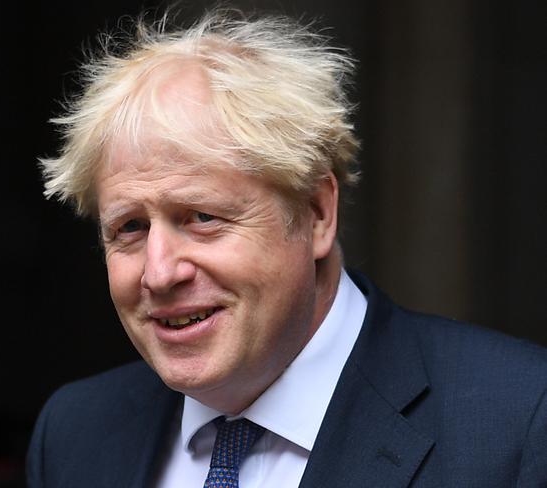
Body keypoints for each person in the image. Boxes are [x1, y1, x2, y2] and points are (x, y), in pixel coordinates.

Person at [27, 9, 547, 488]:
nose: (160, 273)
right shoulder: (74, 435)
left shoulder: (518, 420)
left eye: (203, 218)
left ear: (318, 214)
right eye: (131, 228)